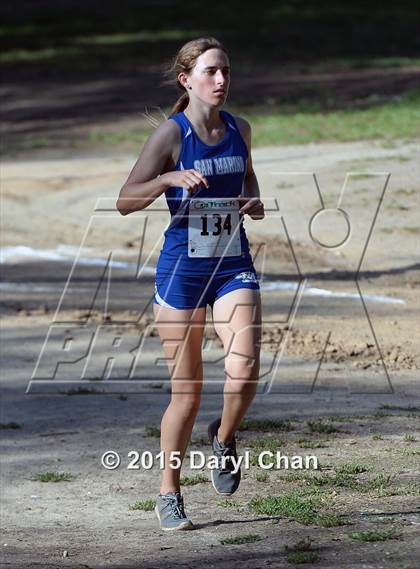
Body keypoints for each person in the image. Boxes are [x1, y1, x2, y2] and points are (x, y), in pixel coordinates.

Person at [116, 37, 264, 531]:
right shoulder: (171, 136)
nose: (221, 80)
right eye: (210, 72)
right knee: (188, 392)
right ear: (187, 79)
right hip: (182, 272)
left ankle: (223, 440)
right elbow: (124, 199)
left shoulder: (240, 129)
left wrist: (252, 204)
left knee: (243, 373)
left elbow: (250, 186)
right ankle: (169, 491)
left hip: (231, 265)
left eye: (225, 71)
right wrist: (166, 181)